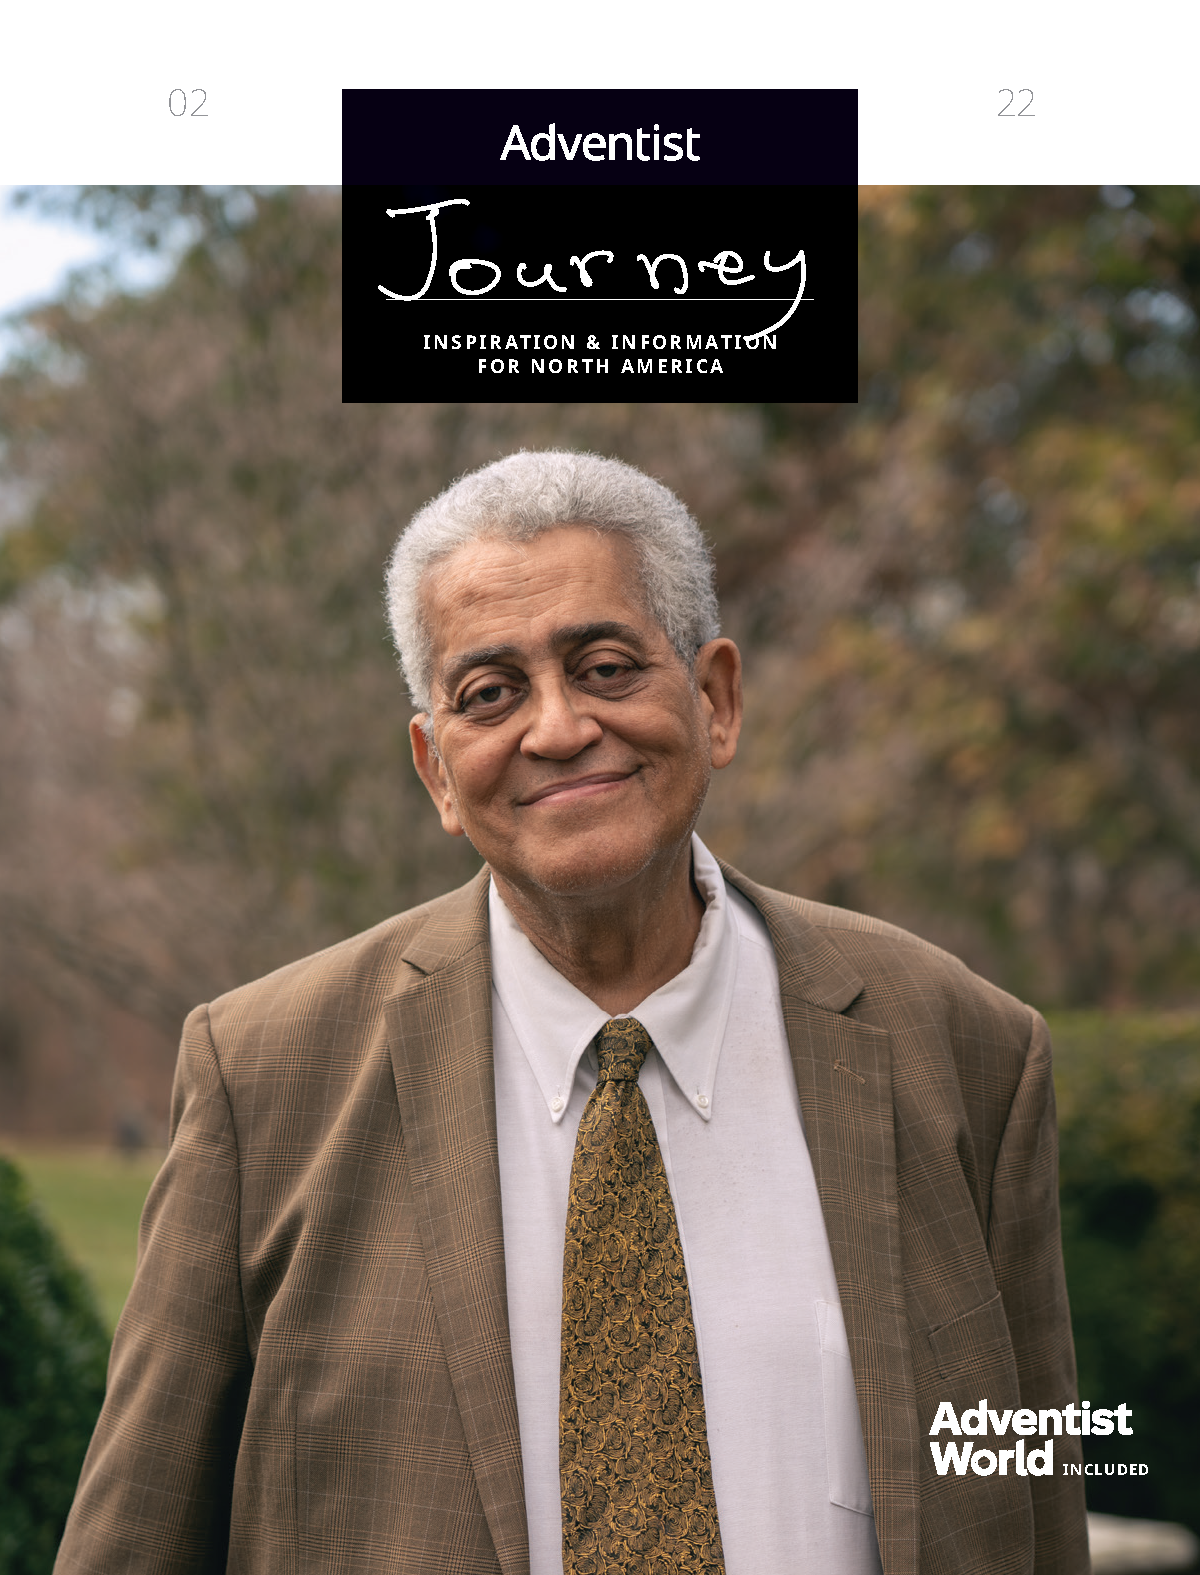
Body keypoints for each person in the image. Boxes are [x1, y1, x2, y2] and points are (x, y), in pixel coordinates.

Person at [55, 451, 1089, 1575]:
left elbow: (1027, 1508)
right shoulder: (265, 1076)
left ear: (716, 699)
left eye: (604, 667)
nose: (556, 729)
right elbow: (135, 1539)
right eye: (490, 693)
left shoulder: (965, 1050)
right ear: (437, 772)